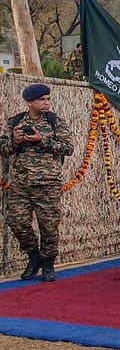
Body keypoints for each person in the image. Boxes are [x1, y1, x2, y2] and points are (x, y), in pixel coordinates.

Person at [0, 83, 74, 282]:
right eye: (42, 99)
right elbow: (4, 150)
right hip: (20, 183)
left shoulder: (54, 122)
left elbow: (68, 148)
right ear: (29, 102)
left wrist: (42, 140)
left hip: (47, 183)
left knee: (49, 227)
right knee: (17, 222)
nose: (47, 103)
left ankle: (48, 263)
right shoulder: (15, 122)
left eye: (48, 99)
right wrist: (15, 140)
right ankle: (34, 256)